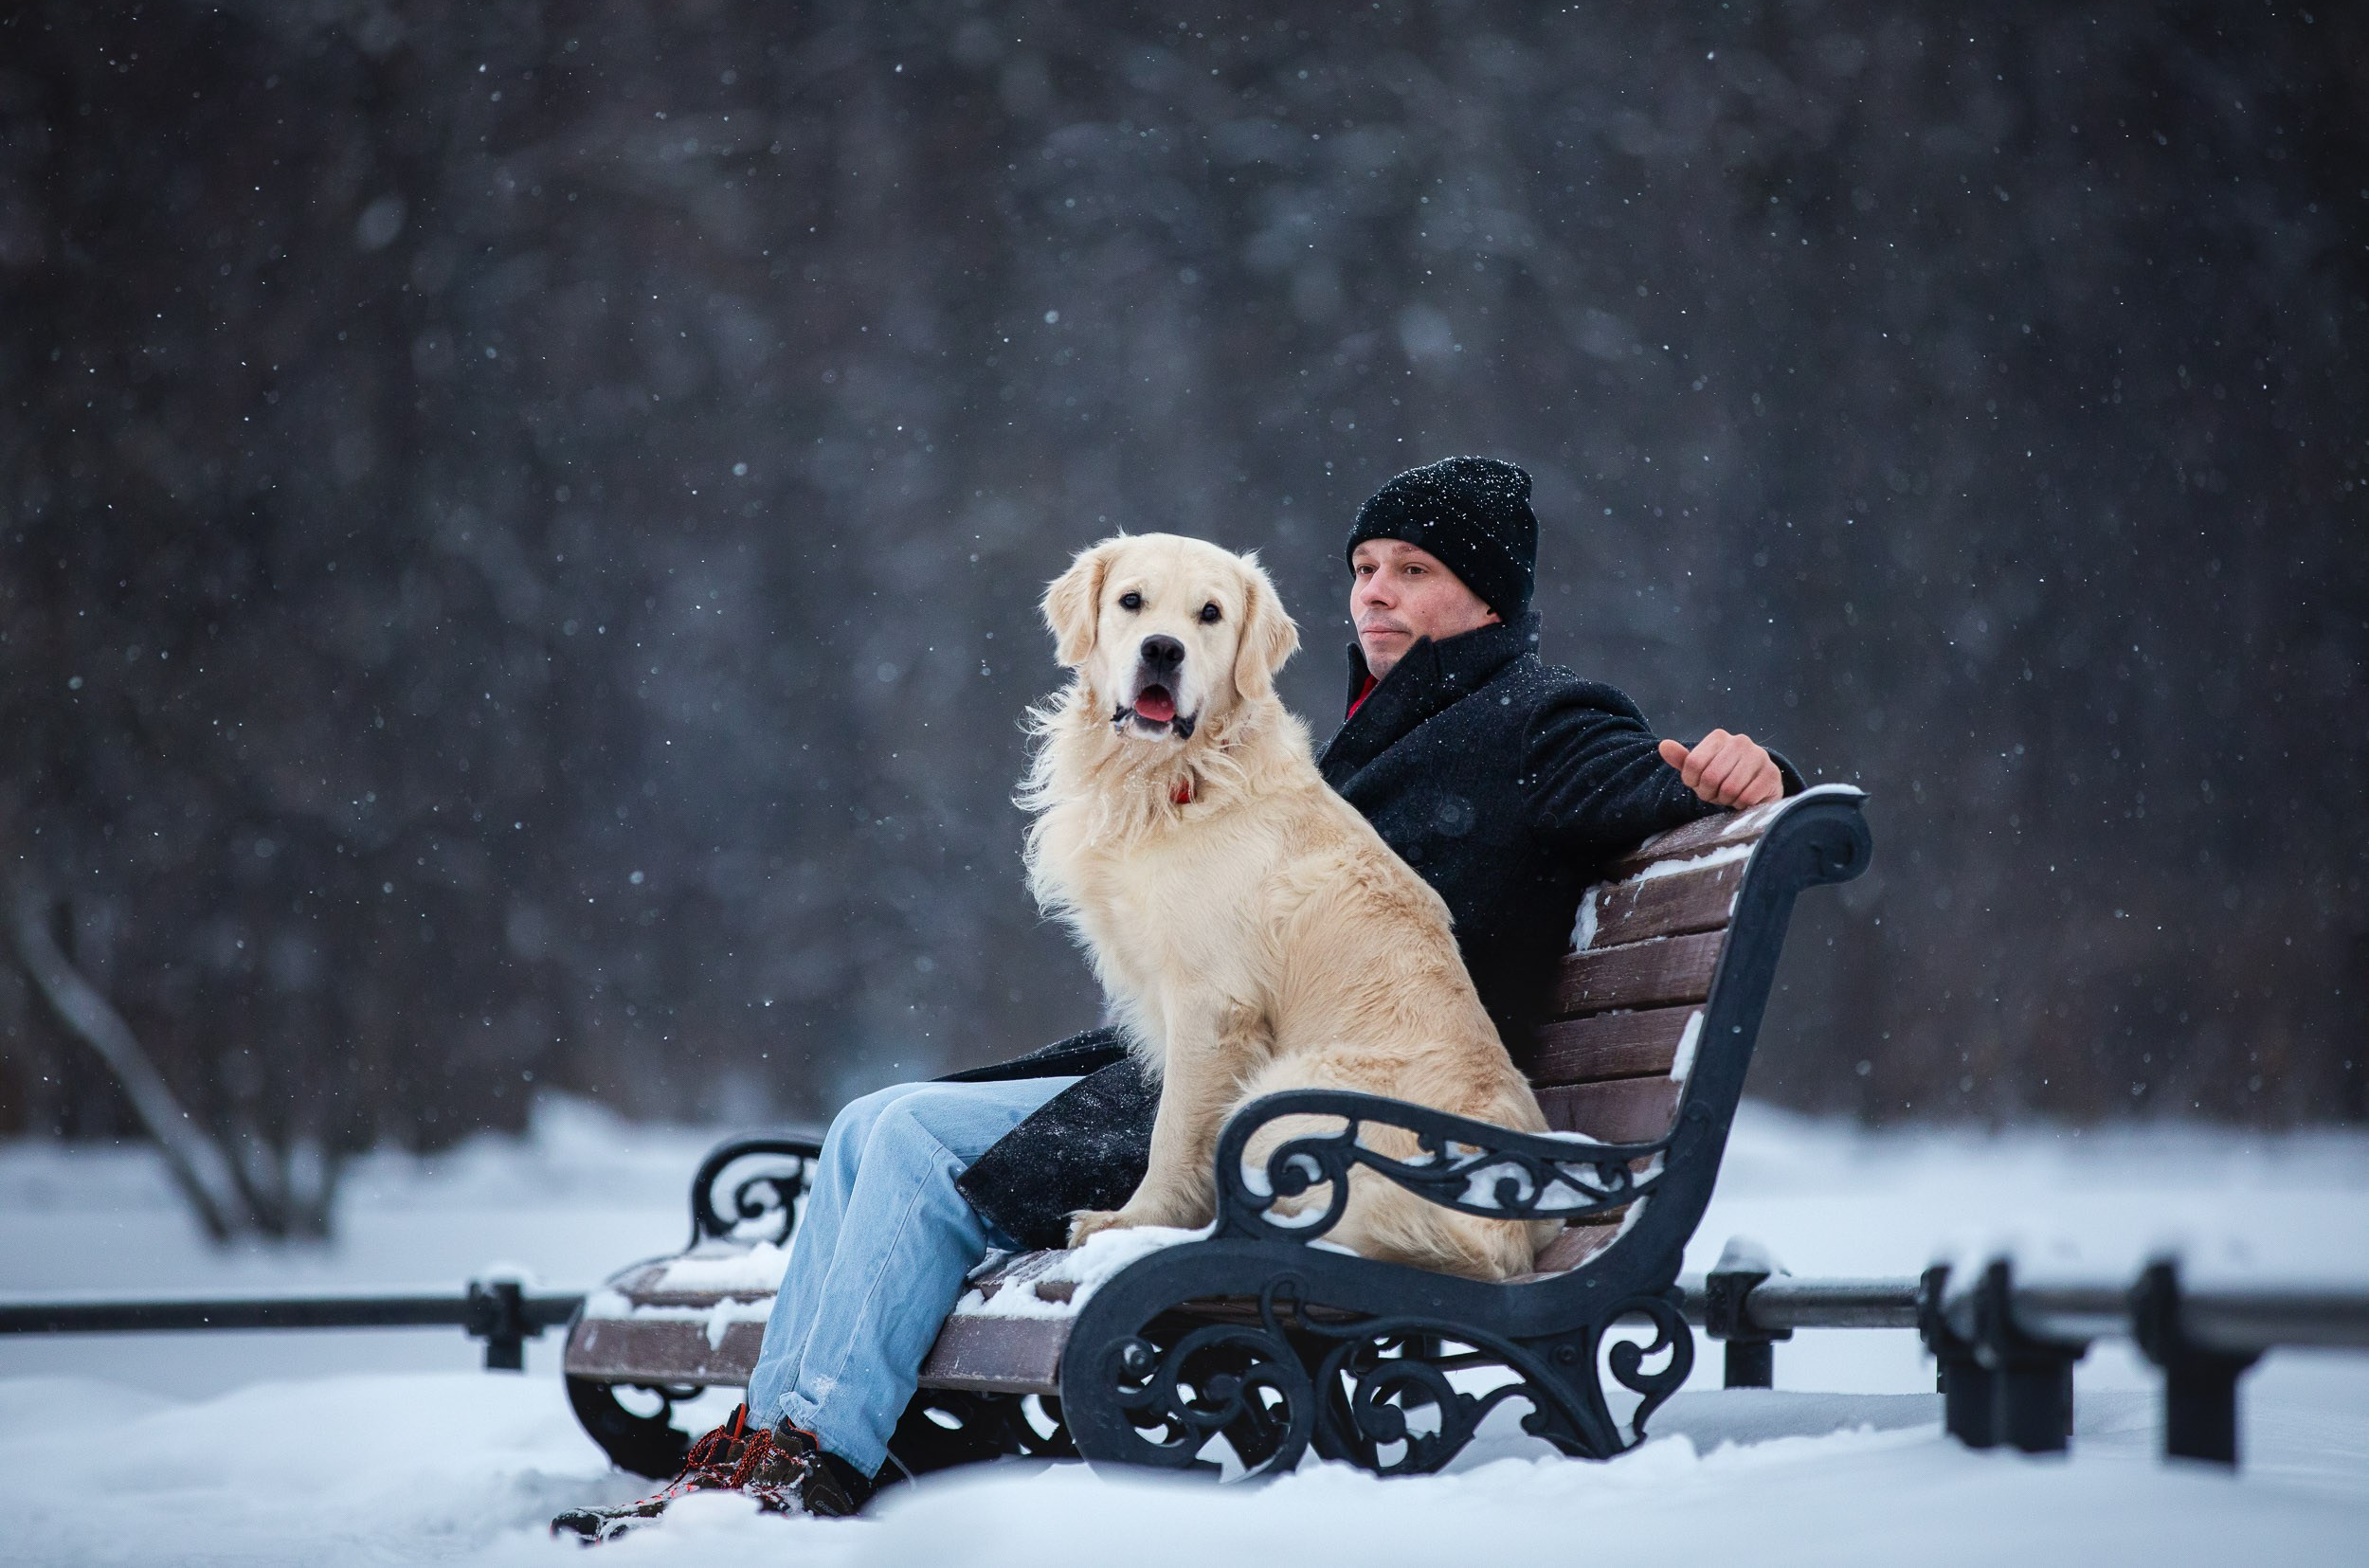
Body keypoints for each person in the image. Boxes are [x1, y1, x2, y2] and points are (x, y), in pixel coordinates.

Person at [552, 457, 1793, 1540]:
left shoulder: (1538, 714)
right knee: (875, 1123)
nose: (1373, 592)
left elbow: (1638, 783)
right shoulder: (1368, 725)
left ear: (1490, 599)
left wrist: (1755, 770)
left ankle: (808, 1460)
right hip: (1268, 1084)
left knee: (921, 1152)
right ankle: (770, 1440)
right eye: (1364, 565)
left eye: (1412, 570)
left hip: (1348, 1120)